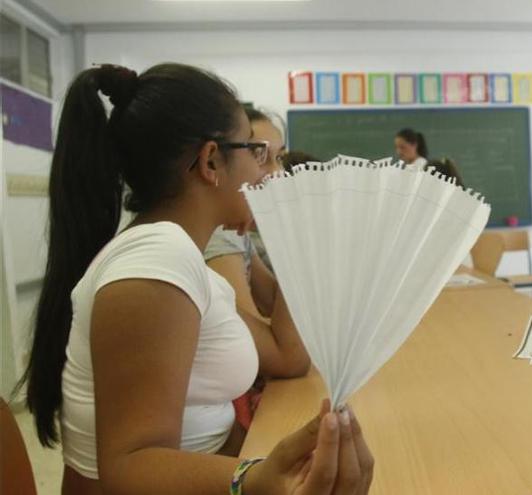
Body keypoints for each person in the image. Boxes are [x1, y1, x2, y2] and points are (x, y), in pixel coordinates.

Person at [16, 63, 372, 494]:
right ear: (210, 161)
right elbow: (130, 468)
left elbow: (287, 360)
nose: (268, 172)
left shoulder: (183, 257)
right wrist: (252, 478)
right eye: (257, 152)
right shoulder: (157, 261)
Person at [204, 107, 311, 384]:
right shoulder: (217, 235)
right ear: (214, 161)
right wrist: (298, 241)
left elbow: (274, 300)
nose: (277, 174)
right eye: (259, 156)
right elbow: (273, 352)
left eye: (280, 158)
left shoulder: (234, 232)